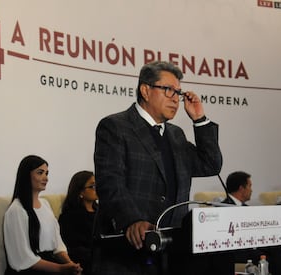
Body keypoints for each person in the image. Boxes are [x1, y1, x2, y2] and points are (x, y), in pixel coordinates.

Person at [93, 61, 223, 275]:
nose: (175, 98)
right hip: (128, 251)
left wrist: (199, 119)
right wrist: (132, 220)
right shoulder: (115, 126)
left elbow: (210, 164)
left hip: (171, 253)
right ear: (145, 90)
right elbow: (110, 182)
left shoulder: (175, 134)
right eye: (168, 90)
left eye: (178, 93)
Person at [3, 155, 82, 275]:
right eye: (40, 173)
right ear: (26, 176)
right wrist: (61, 269)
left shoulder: (45, 204)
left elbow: (57, 244)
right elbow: (23, 259)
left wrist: (70, 264)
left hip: (51, 264)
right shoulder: (16, 210)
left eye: (47, 173)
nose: (46, 178)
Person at [222, 171, 281, 275]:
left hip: (253, 247)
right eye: (250, 186)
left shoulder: (248, 209)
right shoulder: (222, 208)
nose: (251, 190)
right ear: (241, 188)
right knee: (275, 258)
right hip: (237, 252)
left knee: (278, 248)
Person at [59, 170, 98, 275]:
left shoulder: (101, 212)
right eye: (92, 186)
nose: (97, 189)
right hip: (86, 263)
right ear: (80, 192)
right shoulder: (69, 217)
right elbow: (73, 248)